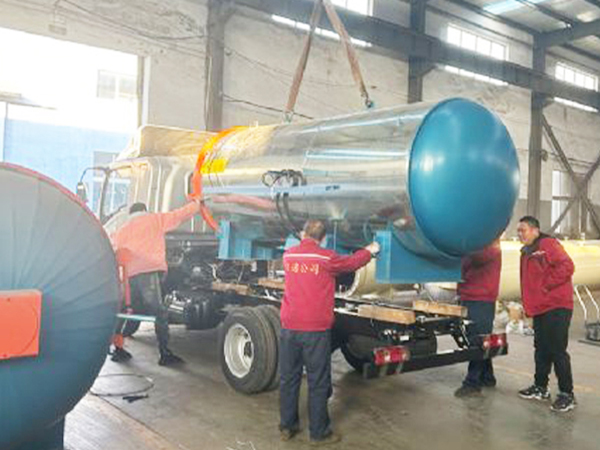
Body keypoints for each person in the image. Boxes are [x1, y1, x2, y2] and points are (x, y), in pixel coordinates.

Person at [279, 220, 379, 446]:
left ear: (303, 234)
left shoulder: (288, 256)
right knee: (318, 382)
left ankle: (287, 427)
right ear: (323, 238)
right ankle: (319, 434)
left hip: (289, 327)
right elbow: (351, 263)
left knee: (288, 378)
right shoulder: (327, 258)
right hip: (315, 330)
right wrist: (369, 250)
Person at [111, 199, 201, 366]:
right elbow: (179, 215)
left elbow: (113, 248)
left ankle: (118, 350)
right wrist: (196, 204)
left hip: (129, 276)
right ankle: (164, 353)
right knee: (159, 313)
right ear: (145, 210)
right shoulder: (154, 220)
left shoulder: (123, 229)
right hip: (148, 273)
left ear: (131, 214)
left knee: (124, 311)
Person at [517, 215, 576, 412]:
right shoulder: (526, 251)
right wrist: (529, 305)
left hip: (556, 306)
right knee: (541, 348)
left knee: (557, 350)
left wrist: (545, 286)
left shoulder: (547, 244)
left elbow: (567, 266)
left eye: (523, 230)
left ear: (535, 230)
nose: (520, 234)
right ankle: (540, 387)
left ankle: (567, 394)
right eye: (518, 231)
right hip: (541, 307)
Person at [454, 238, 502, 397]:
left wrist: (461, 245)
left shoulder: (490, 247)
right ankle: (487, 376)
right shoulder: (480, 247)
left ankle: (472, 382)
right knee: (480, 337)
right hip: (471, 296)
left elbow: (477, 258)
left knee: (477, 341)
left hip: (480, 299)